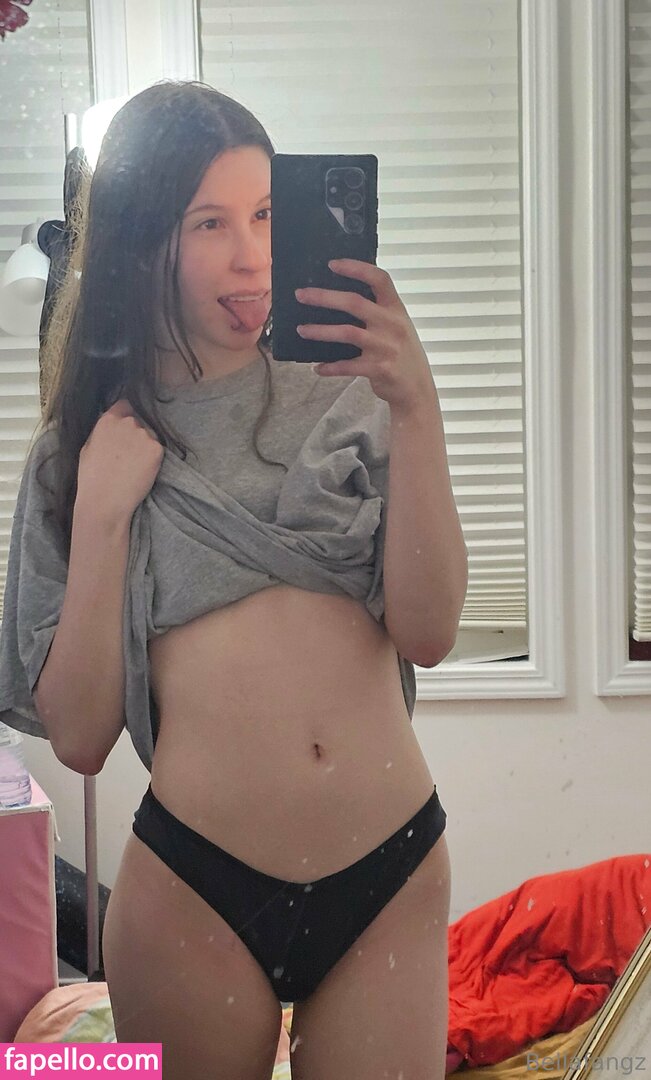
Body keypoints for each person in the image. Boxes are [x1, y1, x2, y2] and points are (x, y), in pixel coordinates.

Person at [0, 81, 466, 1079]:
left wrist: (417, 408)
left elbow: (428, 634)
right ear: (139, 244)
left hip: (388, 869)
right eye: (210, 222)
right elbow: (79, 738)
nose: (253, 254)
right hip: (195, 893)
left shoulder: (354, 394)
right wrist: (103, 514)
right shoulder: (79, 454)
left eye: (264, 213)